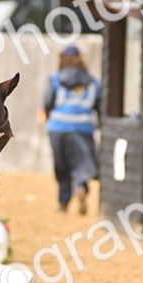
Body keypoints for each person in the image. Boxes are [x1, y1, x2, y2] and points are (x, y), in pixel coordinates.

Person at [38, 45, 100, 214]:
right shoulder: (93, 82)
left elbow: (48, 102)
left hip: (58, 127)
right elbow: (99, 105)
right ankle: (81, 187)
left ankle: (64, 202)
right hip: (83, 128)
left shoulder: (54, 79)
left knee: (62, 165)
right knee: (81, 164)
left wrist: (49, 116)